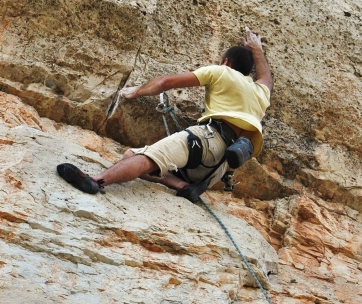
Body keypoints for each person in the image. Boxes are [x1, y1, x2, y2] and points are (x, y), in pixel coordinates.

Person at [57, 27, 273, 202]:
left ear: (226, 63)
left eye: (220, 61)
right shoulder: (261, 91)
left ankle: (96, 180)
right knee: (131, 156)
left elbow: (164, 83)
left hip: (206, 140)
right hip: (219, 167)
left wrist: (136, 91)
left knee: (147, 159)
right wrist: (257, 49)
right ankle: (184, 186)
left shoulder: (222, 72)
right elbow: (265, 76)